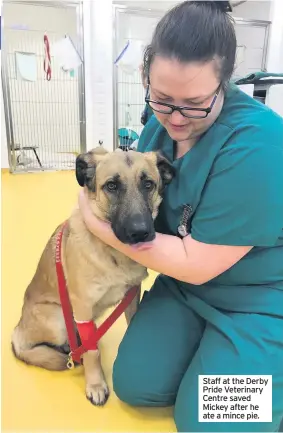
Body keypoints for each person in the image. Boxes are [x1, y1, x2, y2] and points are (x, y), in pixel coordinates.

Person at [78, 1, 283, 431]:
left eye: (194, 104)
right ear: (146, 78)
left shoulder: (260, 144)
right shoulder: (158, 132)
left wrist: (97, 219)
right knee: (136, 385)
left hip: (259, 299)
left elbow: (196, 262)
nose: (174, 117)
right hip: (186, 291)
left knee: (208, 418)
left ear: (224, 84)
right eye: (162, 98)